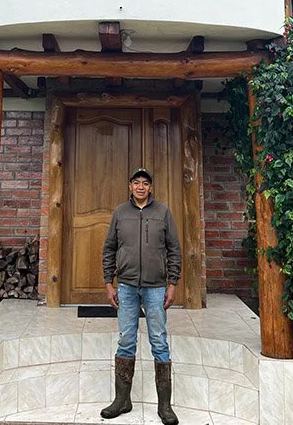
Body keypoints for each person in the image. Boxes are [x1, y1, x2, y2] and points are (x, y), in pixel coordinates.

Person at [100, 167, 182, 425]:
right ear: (129, 186)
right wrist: (108, 283)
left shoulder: (163, 212)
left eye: (145, 183)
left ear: (151, 187)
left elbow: (174, 249)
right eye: (136, 182)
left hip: (156, 287)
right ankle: (122, 400)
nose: (140, 187)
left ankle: (165, 406)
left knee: (159, 341)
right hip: (125, 286)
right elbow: (109, 248)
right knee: (126, 340)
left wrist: (173, 283)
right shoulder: (120, 213)